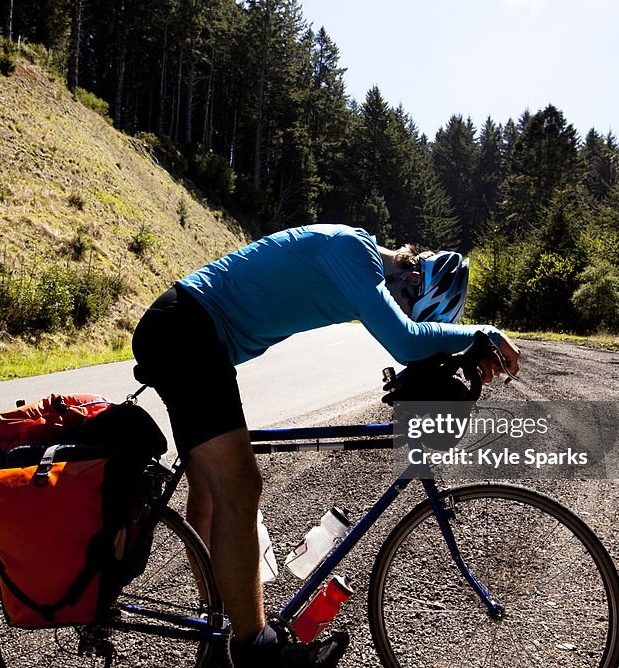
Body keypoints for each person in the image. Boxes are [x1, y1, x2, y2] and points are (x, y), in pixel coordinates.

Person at [131, 224, 520, 667]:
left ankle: (217, 633)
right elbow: (404, 338)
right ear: (413, 278)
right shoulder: (353, 249)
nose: (402, 311)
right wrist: (482, 332)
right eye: (412, 308)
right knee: (240, 486)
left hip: (194, 335)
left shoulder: (361, 267)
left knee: (211, 495)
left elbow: (409, 341)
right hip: (186, 329)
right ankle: (257, 650)